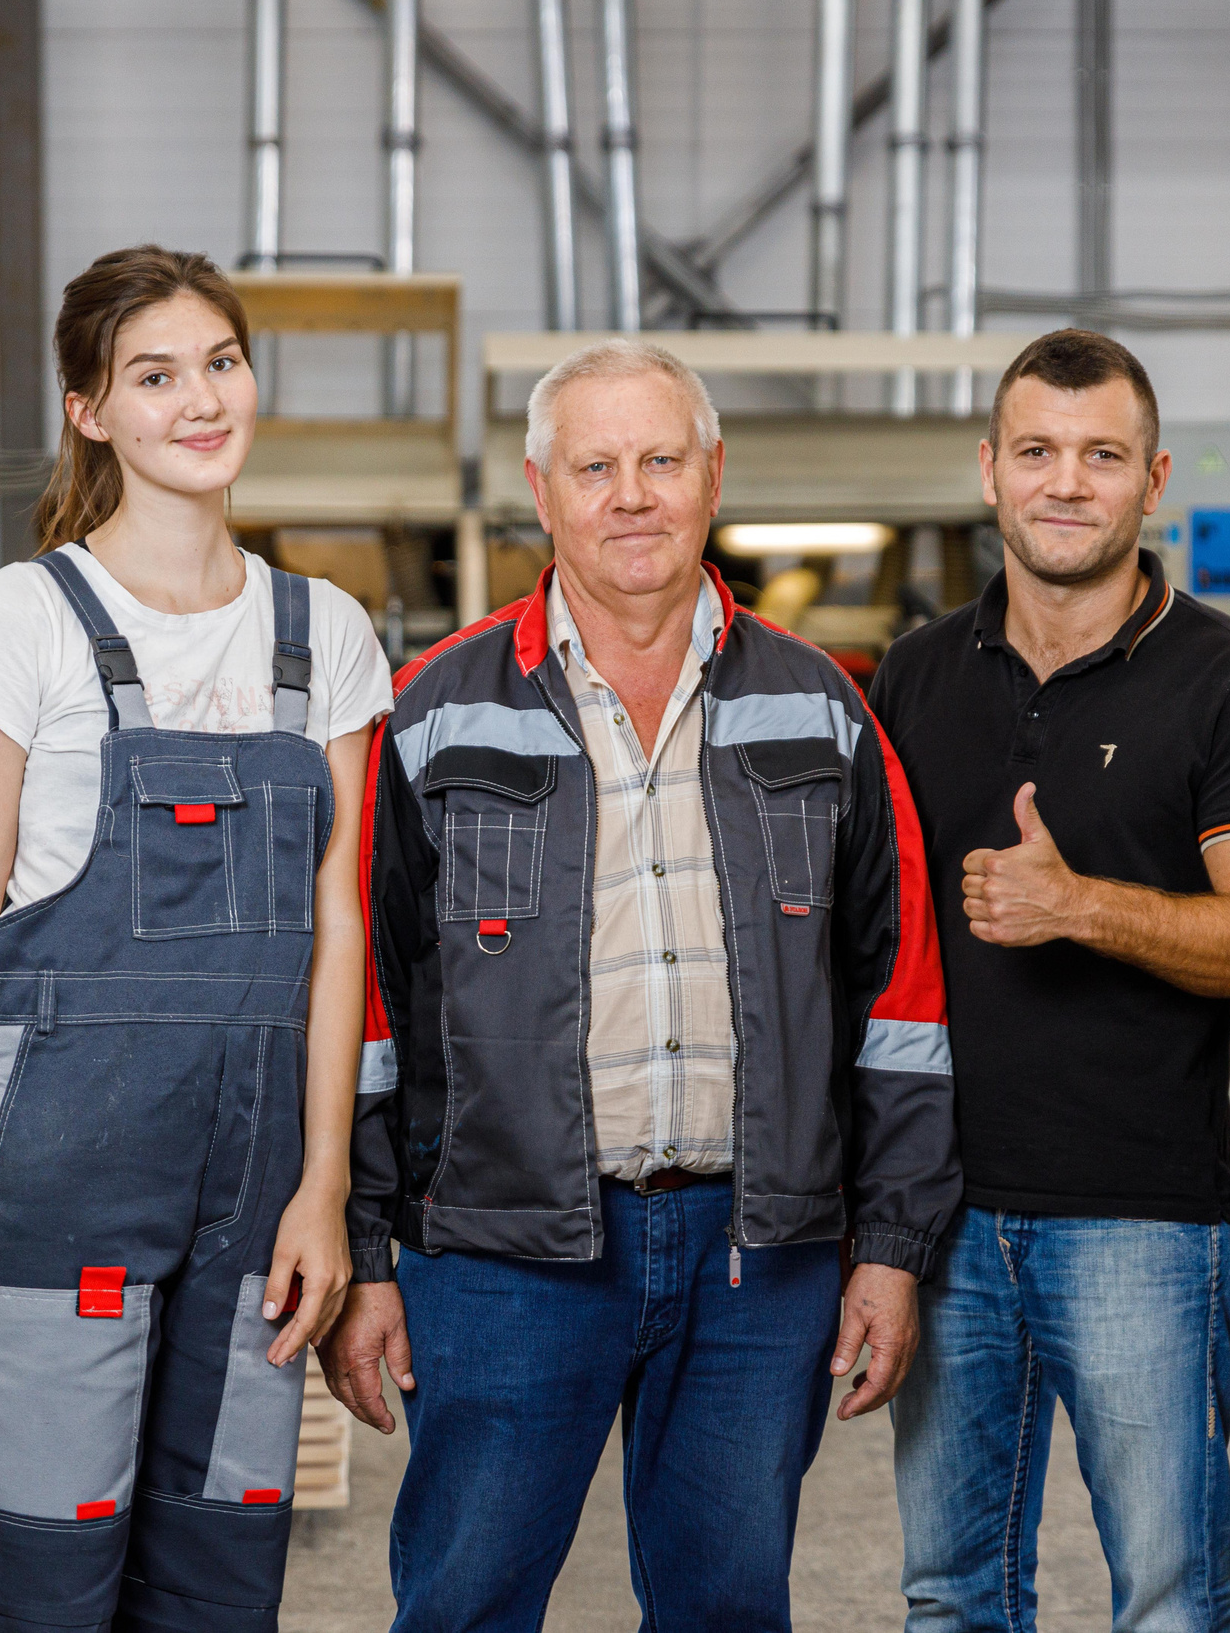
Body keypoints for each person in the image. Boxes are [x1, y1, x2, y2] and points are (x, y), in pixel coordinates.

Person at [329, 338, 958, 1633]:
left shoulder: (824, 708)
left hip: (757, 1253)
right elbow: (363, 1005)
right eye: (597, 464)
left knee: (728, 1604)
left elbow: (900, 997)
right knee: (464, 1600)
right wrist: (364, 1251)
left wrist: (889, 1248)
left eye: (660, 459)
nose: (632, 494)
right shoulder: (432, 712)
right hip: (502, 1248)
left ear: (713, 474)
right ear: (542, 488)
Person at [0, 246, 394, 1633]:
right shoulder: (22, 619)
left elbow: (338, 926)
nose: (198, 399)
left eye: (220, 363)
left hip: (255, 1195)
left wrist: (326, 1184)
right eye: (155, 374)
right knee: (44, 1585)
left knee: (218, 1582)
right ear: (89, 409)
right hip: (53, 1183)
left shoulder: (327, 633)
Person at [867, 328, 1230, 1633]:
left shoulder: (1229, 678)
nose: (1068, 482)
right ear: (991, 470)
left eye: (1102, 454)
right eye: (1039, 451)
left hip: (1144, 1217)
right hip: (943, 1217)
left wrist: (1075, 905)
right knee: (950, 1594)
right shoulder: (917, 672)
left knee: (1170, 1599)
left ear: (1154, 476)